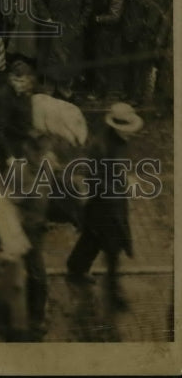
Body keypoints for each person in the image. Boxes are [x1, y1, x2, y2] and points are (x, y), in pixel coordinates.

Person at [66, 103, 144, 310]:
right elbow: (95, 180)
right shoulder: (100, 147)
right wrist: (123, 186)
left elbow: (117, 169)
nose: (130, 134)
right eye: (126, 130)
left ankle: (76, 267)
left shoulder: (117, 141)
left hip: (111, 203)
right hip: (103, 206)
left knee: (93, 238)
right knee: (112, 247)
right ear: (116, 126)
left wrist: (126, 178)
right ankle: (113, 291)